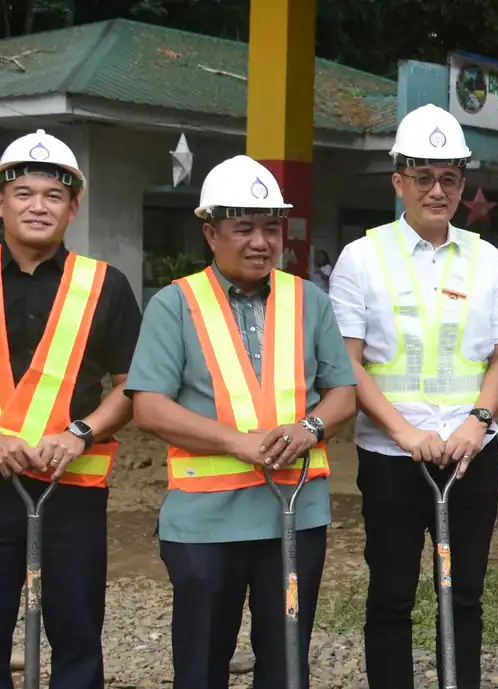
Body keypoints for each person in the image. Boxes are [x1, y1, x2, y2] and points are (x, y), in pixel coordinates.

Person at [0, 129, 141, 689]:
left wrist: (81, 433)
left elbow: (135, 385)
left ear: (72, 207)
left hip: (73, 483)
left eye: (53, 195)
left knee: (78, 639)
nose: (38, 206)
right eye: (23, 192)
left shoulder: (105, 285)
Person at [126, 155, 357, 688]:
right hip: (204, 520)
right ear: (210, 233)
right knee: (202, 662)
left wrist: (309, 430)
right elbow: (149, 407)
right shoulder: (174, 305)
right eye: (244, 228)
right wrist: (240, 444)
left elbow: (342, 392)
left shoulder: (309, 301)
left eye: (271, 228)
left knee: (286, 661)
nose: (260, 241)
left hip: (296, 513)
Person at [330, 104, 498, 689]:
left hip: (470, 454)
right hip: (393, 457)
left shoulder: (488, 260)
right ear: (398, 182)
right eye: (423, 177)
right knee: (391, 594)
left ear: (463, 183)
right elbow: (349, 364)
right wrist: (405, 433)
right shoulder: (361, 259)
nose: (437, 191)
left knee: (463, 597)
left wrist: (477, 423)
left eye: (450, 178)